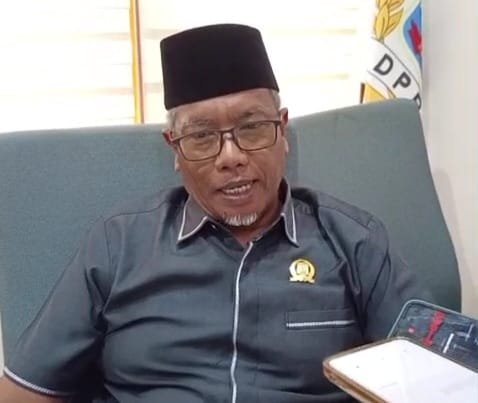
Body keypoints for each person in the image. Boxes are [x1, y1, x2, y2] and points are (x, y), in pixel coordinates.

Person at [0, 23, 432, 403]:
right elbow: (28, 390)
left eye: (252, 128)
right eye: (202, 137)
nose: (231, 157)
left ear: (283, 130)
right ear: (174, 148)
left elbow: (434, 379)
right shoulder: (118, 245)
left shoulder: (354, 241)